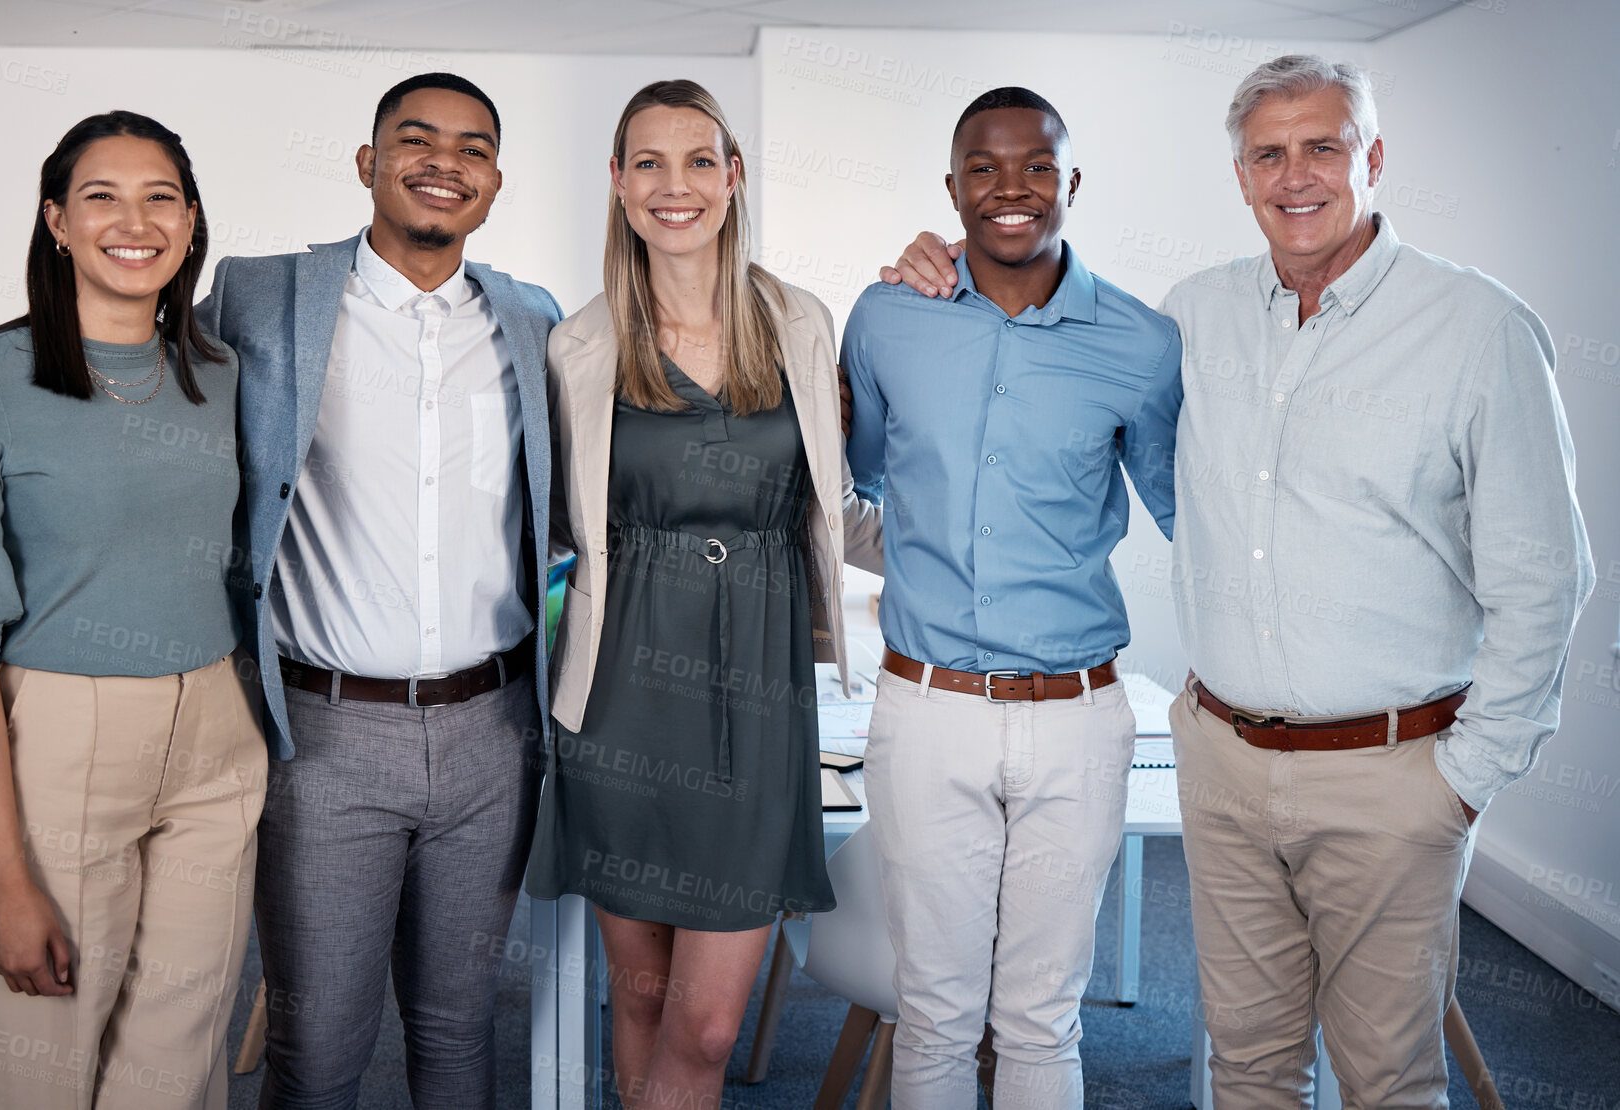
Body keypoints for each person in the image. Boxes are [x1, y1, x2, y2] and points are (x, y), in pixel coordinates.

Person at [885, 56, 1593, 1110]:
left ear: (1374, 160)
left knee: (1389, 1078)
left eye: (1323, 147)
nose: (1294, 174)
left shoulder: (1476, 331)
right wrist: (927, 273)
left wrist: (1463, 780)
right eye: (1269, 152)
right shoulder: (1195, 318)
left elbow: (1546, 580)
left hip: (1390, 776)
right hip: (1224, 764)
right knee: (1250, 1071)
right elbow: (1161, 483)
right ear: (1241, 173)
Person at [0, 74, 561, 1109]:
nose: (442, 160)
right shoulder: (259, 300)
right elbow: (92, 339)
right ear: (367, 164)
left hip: (442, 729)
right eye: (413, 138)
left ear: (497, 181)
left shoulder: (526, 317)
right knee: (303, 1041)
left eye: (472, 146)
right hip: (312, 727)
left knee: (356, 1038)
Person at [525, 79, 881, 1109]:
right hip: (623, 700)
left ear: (732, 176)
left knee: (708, 1023)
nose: (673, 186)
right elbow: (548, 526)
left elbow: (840, 504)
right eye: (648, 162)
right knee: (636, 1005)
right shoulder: (577, 347)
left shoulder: (801, 324)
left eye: (696, 161)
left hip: (759, 704)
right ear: (618, 183)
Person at [0, 110, 262, 1107]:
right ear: (56, 221)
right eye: (101, 195)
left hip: (220, 741)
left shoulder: (227, 375)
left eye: (160, 196)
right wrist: (5, 884)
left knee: (178, 1064)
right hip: (62, 737)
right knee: (45, 1068)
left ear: (191, 221)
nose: (133, 219)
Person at [842, 87, 1180, 1108]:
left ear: (1070, 183)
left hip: (1077, 719)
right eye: (983, 168)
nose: (1011, 189)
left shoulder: (1140, 343)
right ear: (952, 188)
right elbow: (859, 481)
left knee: (1041, 1018)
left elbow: (1197, 518)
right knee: (934, 1013)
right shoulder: (886, 319)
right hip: (925, 709)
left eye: (1037, 165)